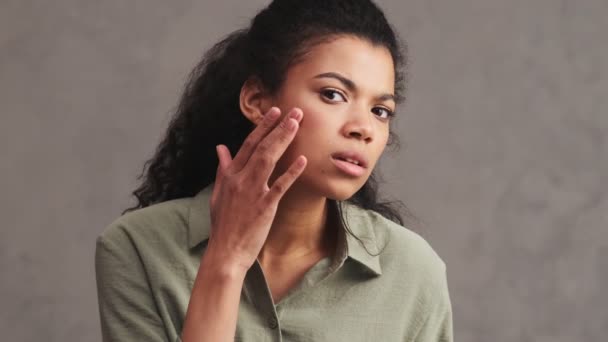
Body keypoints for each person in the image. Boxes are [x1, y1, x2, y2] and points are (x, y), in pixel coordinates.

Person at [94, 0, 454, 341]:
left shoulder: (414, 272)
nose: (364, 127)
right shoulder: (137, 248)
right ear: (256, 100)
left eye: (381, 110)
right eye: (332, 94)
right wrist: (227, 261)